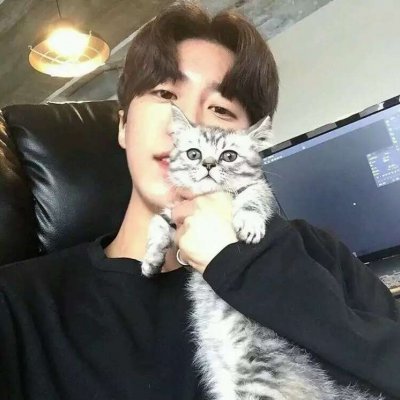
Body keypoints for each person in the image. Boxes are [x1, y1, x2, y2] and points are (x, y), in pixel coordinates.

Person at [0, 2, 399, 400]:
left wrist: (244, 265)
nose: (189, 125)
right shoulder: (18, 303)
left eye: (221, 109)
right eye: (165, 93)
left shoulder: (315, 253)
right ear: (123, 125)